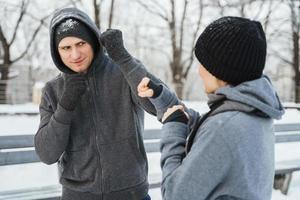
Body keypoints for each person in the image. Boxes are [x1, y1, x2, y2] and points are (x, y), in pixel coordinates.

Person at [136, 16, 285, 200]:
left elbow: (175, 194)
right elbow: (209, 129)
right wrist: (163, 98)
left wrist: (173, 128)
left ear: (221, 70)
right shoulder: (253, 112)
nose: (199, 71)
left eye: (203, 63)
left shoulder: (224, 127)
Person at [34, 7, 161, 200]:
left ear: (93, 41)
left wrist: (124, 59)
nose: (75, 55)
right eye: (66, 48)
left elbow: (160, 105)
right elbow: (47, 154)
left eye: (81, 43)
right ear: (57, 51)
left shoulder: (123, 71)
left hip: (132, 193)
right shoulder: (53, 90)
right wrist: (65, 107)